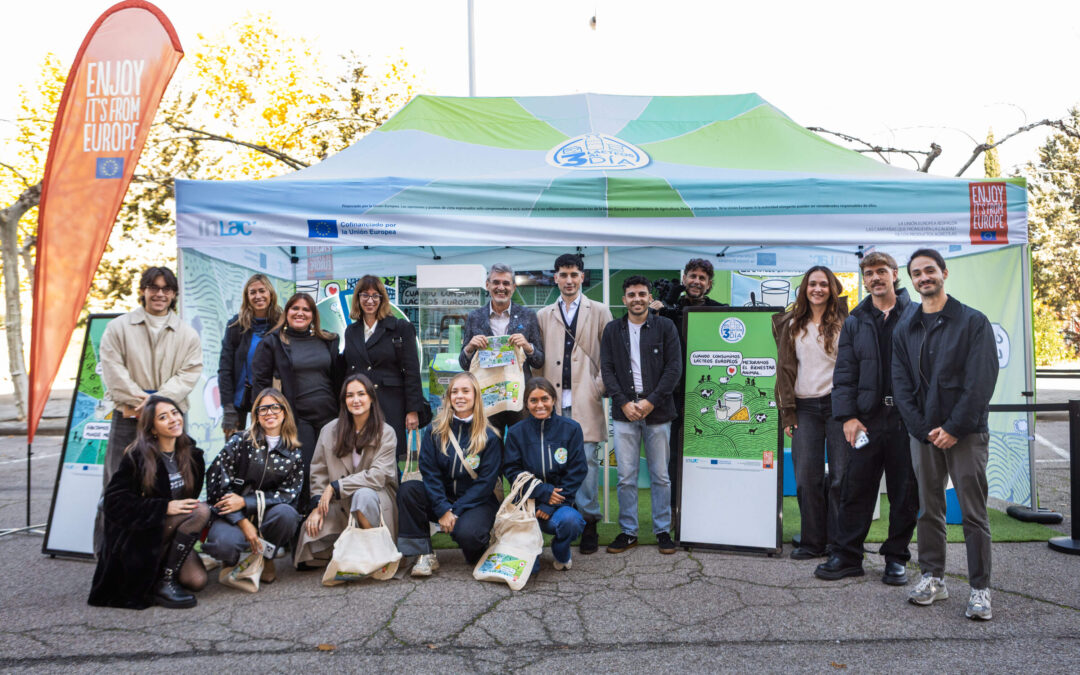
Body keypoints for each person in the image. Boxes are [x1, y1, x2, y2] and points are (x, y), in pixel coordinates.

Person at [892, 248, 998, 620]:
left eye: (930, 271)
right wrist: (923, 430)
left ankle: (980, 589)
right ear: (911, 280)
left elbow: (980, 382)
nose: (924, 277)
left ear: (944, 273)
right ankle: (933, 579)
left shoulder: (972, 322)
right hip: (923, 436)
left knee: (973, 513)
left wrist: (954, 428)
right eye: (917, 273)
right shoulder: (906, 327)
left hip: (965, 434)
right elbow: (901, 386)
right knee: (928, 509)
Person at [814, 252, 919, 585]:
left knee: (905, 491)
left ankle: (896, 558)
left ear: (895, 274)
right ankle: (847, 556)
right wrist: (847, 416)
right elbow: (845, 373)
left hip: (905, 420)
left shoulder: (917, 314)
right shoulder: (856, 319)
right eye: (869, 273)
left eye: (881, 272)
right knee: (855, 488)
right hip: (866, 421)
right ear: (864, 278)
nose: (875, 278)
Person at [96, 266, 203, 553]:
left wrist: (158, 405)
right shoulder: (118, 328)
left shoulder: (187, 333)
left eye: (166, 289)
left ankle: (169, 552)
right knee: (118, 485)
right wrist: (143, 402)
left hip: (170, 423)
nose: (159, 294)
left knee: (173, 483)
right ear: (143, 290)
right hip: (128, 419)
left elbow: (189, 373)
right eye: (153, 287)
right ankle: (108, 554)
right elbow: (112, 370)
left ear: (174, 294)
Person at [89, 396, 210, 609]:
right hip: (142, 534)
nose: (173, 419)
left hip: (171, 530)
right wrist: (163, 507)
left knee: (197, 581)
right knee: (200, 511)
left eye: (174, 413)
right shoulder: (138, 456)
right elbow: (113, 502)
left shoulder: (192, 456)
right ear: (152, 428)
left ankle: (162, 573)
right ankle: (164, 582)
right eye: (163, 417)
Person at [536, 253, 612, 554]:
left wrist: (600, 385)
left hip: (585, 398)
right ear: (555, 278)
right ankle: (560, 520)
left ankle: (590, 520)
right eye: (563, 275)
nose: (569, 280)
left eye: (574, 274)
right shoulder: (543, 315)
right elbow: (538, 359)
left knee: (588, 462)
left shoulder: (600, 311)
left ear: (582, 278)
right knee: (553, 462)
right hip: (550, 401)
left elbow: (610, 354)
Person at [600, 276, 682, 555]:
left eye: (642, 294)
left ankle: (661, 530)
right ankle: (628, 531)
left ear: (649, 297)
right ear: (624, 300)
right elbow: (607, 369)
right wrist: (623, 403)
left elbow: (674, 368)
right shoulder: (612, 330)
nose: (637, 298)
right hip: (624, 413)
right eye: (631, 294)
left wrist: (650, 402)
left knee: (660, 475)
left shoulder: (665, 326)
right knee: (626, 477)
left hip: (658, 412)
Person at [772, 266, 849, 560]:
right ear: (804, 289)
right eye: (812, 284)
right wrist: (787, 413)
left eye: (824, 284)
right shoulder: (791, 323)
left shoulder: (846, 321)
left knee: (842, 476)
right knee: (806, 478)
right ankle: (812, 541)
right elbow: (785, 371)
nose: (818, 289)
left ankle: (838, 543)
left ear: (832, 288)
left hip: (838, 407)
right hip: (804, 408)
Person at [396, 372, 503, 576]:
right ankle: (424, 554)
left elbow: (485, 484)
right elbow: (430, 474)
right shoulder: (435, 431)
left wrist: (455, 511)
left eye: (465, 391)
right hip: (442, 498)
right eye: (454, 391)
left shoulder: (490, 436)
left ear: (476, 396)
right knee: (409, 490)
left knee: (470, 540)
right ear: (448, 397)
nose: (459, 396)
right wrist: (443, 508)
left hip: (477, 501)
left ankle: (477, 540)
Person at [295, 374, 399, 568]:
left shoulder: (386, 432)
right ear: (344, 401)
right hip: (339, 502)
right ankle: (347, 553)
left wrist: (335, 487)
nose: (356, 400)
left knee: (362, 496)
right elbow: (319, 472)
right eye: (350, 395)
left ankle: (375, 554)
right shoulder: (329, 430)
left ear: (371, 398)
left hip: (375, 499)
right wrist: (317, 506)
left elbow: (377, 477)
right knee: (309, 537)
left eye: (361, 394)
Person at [203, 388, 304, 584]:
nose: (269, 413)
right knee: (225, 544)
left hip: (266, 514)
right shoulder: (239, 442)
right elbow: (217, 485)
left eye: (275, 407)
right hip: (230, 515)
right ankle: (230, 560)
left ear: (284, 413)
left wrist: (245, 502)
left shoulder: (294, 452)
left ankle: (266, 557)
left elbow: (288, 495)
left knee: (287, 515)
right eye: (263, 408)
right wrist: (243, 521)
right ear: (256, 415)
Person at [650, 257, 726, 514]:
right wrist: (655, 313)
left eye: (702, 278)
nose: (696, 281)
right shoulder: (665, 308)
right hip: (673, 394)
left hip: (708, 394)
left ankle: (706, 506)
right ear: (684, 279)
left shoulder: (720, 310)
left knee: (708, 448)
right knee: (672, 455)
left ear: (709, 284)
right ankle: (673, 510)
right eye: (692, 276)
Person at [252, 292, 342, 509]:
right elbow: (260, 384)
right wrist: (263, 418)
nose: (300, 313)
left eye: (306, 309)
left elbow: (338, 377)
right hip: (298, 418)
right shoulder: (272, 342)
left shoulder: (327, 340)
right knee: (307, 471)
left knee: (334, 470)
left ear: (313, 315)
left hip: (330, 416)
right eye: (295, 308)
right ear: (287, 312)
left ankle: (334, 525)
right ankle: (305, 523)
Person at [503, 377, 588, 571]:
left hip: (560, 504)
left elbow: (577, 470)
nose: (540, 405)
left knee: (570, 522)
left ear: (553, 400)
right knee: (530, 571)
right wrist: (543, 493)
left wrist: (551, 503)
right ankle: (532, 549)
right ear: (526, 403)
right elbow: (512, 471)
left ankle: (561, 549)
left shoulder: (571, 429)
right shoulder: (516, 432)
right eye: (534, 400)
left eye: (545, 399)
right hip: (527, 506)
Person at [343, 275, 426, 460]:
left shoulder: (400, 327)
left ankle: (391, 490)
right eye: (365, 295)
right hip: (361, 406)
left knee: (389, 457)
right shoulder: (351, 331)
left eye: (375, 295)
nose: (370, 300)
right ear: (358, 299)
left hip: (391, 404)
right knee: (362, 457)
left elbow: (412, 371)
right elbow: (350, 370)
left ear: (382, 299)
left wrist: (412, 410)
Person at [458, 263, 544, 435]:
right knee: (489, 448)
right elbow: (464, 364)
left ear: (513, 287)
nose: (501, 288)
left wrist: (528, 347)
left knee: (520, 448)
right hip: (487, 395)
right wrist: (469, 347)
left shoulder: (528, 316)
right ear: (487, 285)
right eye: (496, 282)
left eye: (506, 283)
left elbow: (539, 361)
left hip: (518, 397)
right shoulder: (475, 317)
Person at [219, 274, 282, 436]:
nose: (258, 296)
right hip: (238, 400)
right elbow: (225, 369)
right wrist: (228, 407)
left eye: (262, 291)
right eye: (252, 292)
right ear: (247, 297)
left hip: (269, 400)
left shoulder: (281, 325)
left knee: (265, 450)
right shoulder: (235, 326)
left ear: (270, 294)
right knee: (235, 451)